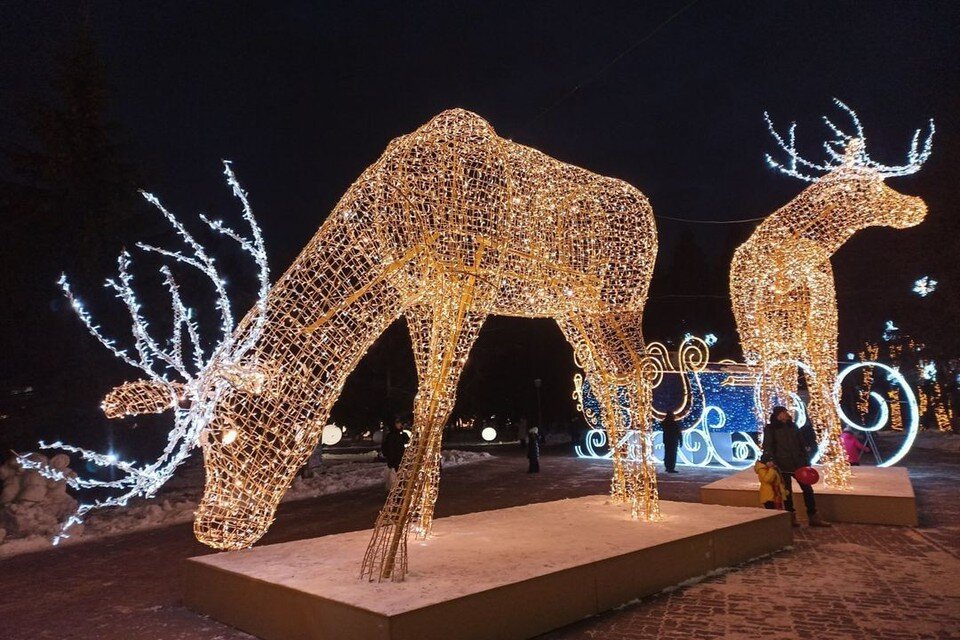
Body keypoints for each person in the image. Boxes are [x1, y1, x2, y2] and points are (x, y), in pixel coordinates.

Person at [762, 406, 831, 527]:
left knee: (807, 489)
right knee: (787, 492)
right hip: (782, 465)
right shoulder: (771, 428)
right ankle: (791, 517)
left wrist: (806, 460)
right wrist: (769, 459)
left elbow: (801, 444)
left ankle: (813, 516)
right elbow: (767, 445)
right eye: (783, 412)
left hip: (799, 464)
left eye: (786, 412)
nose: (786, 414)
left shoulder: (793, 426)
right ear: (777, 415)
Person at [381, 417, 409, 491]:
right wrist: (391, 460)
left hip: (401, 460)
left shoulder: (402, 435)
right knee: (396, 481)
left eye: (400, 423)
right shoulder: (391, 436)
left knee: (402, 479)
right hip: (395, 461)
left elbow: (408, 443)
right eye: (398, 423)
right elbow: (388, 449)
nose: (400, 424)